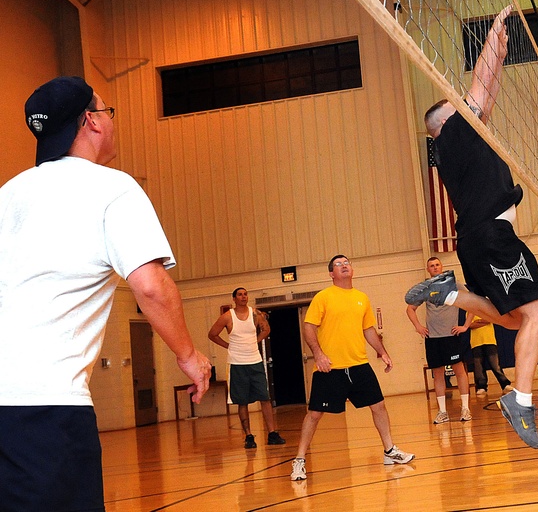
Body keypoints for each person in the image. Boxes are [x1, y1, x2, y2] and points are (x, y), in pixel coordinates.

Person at [0, 76, 212, 511]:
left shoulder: (8, 194)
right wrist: (190, 356)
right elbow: (151, 286)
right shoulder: (113, 188)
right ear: (92, 122)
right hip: (46, 411)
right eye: (107, 111)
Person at [407, 5, 538, 450]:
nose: (475, 110)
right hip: (492, 236)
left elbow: (485, 93)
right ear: (447, 122)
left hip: (477, 238)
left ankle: (450, 292)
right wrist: (494, 34)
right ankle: (520, 399)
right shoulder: (455, 133)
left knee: (512, 320)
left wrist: (501, 56)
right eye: (462, 108)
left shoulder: (453, 143)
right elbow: (479, 85)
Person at [291, 255, 414, 481]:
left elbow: (368, 330)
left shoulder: (361, 298)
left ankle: (389, 451)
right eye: (338, 264)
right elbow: (309, 327)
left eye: (346, 262)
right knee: (315, 414)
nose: (344, 266)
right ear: (331, 274)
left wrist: (383, 352)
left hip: (358, 365)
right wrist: (318, 354)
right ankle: (299, 460)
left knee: (379, 406)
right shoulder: (323, 297)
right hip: (331, 368)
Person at [208, 287, 285, 448]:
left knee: (265, 398)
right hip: (237, 363)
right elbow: (212, 334)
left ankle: (272, 433)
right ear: (234, 299)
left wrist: (255, 341)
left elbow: (266, 329)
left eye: (245, 294)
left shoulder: (255, 314)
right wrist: (227, 346)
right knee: (242, 401)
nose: (243, 297)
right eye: (240, 295)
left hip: (255, 362)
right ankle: (248, 436)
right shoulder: (227, 317)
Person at [406, 257, 473, 423]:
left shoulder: (454, 284)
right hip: (433, 338)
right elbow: (410, 309)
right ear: (428, 269)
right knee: (438, 374)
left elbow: (473, 302)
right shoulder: (426, 288)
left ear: (441, 267)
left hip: (452, 336)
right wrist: (418, 327)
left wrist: (465, 325)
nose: (435, 267)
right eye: (431, 266)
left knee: (459, 371)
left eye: (437, 265)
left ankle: (465, 408)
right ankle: (442, 411)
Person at [467, 313, 512, 397]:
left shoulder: (486, 310)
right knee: (478, 366)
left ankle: (505, 384)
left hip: (490, 340)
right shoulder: (470, 312)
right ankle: (481, 387)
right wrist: (484, 321)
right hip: (476, 342)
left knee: (495, 364)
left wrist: (479, 321)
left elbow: (491, 320)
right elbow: (470, 325)